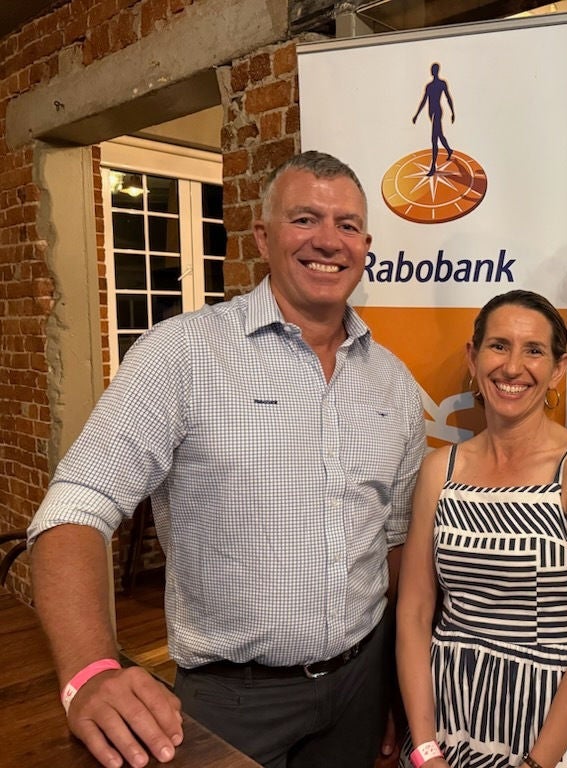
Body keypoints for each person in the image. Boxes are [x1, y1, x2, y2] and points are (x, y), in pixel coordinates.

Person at [28, 151, 427, 768]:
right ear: (262, 238)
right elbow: (75, 509)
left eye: (346, 225)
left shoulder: (392, 383)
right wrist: (91, 670)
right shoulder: (182, 354)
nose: (328, 240)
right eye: (305, 219)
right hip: (230, 698)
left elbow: (395, 543)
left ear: (365, 245)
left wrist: (401, 681)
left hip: (360, 684)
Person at [396, 290, 567, 768]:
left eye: (534, 350)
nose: (512, 367)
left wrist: (536, 763)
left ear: (559, 368)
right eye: (499, 345)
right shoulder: (440, 468)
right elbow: (416, 613)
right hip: (445, 724)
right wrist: (424, 749)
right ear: (473, 357)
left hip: (550, 734)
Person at [412, 62, 455, 176]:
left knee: (434, 139)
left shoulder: (442, 84)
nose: (432, 71)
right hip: (431, 113)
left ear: (436, 71)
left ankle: (433, 167)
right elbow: (424, 100)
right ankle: (449, 150)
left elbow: (448, 97)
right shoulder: (429, 86)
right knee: (439, 135)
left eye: (433, 69)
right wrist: (417, 114)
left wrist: (452, 112)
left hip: (437, 112)